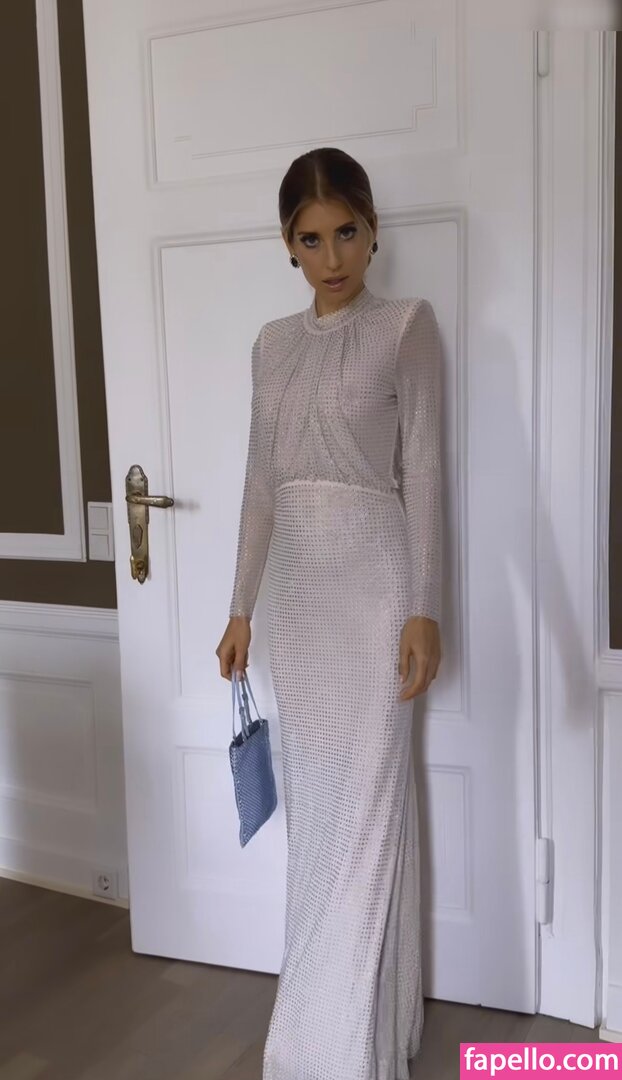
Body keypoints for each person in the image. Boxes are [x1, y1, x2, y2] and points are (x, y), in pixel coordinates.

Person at [215, 146, 443, 1080]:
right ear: (288, 245)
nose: (333, 256)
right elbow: (258, 485)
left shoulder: (406, 327)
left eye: (346, 232)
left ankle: (352, 1049)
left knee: (369, 815)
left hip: (376, 589)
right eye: (311, 240)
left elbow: (422, 471)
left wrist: (424, 609)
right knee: (320, 823)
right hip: (299, 606)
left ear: (373, 230)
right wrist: (239, 607)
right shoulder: (271, 344)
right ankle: (324, 1034)